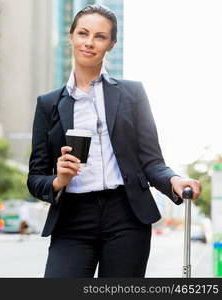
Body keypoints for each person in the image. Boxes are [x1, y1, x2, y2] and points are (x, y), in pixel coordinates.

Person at [27, 4, 202, 278]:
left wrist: (174, 181)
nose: (89, 42)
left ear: (111, 44)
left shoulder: (133, 94)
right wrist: (59, 180)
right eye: (83, 33)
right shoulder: (48, 104)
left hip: (126, 215)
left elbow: (151, 161)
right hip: (72, 218)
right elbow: (35, 178)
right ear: (71, 36)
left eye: (100, 36)